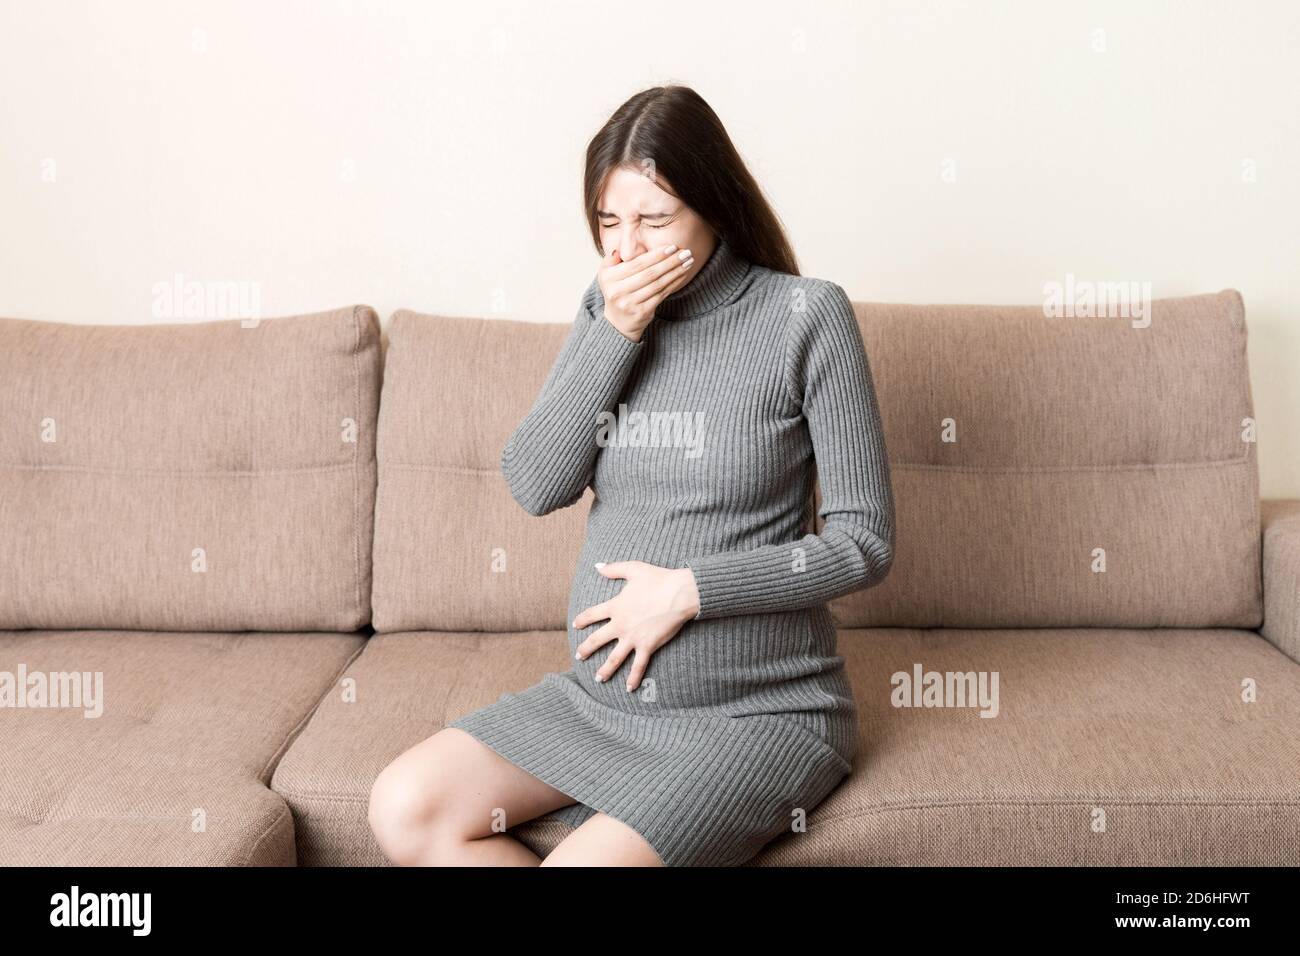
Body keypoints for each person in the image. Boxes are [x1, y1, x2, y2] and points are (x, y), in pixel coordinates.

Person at [368, 84, 896, 867]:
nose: (628, 249)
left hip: (758, 713)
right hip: (601, 705)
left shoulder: (806, 317)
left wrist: (688, 591)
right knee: (404, 807)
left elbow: (864, 544)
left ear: (714, 208)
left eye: (655, 220)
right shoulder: (607, 308)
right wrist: (615, 332)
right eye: (610, 223)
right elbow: (535, 481)